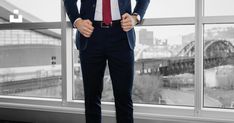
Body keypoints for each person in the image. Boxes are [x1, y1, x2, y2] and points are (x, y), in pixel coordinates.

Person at [63, 0, 149, 123]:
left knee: (124, 98)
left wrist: (136, 17)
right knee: (91, 97)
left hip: (122, 36)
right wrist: (77, 21)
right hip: (90, 34)